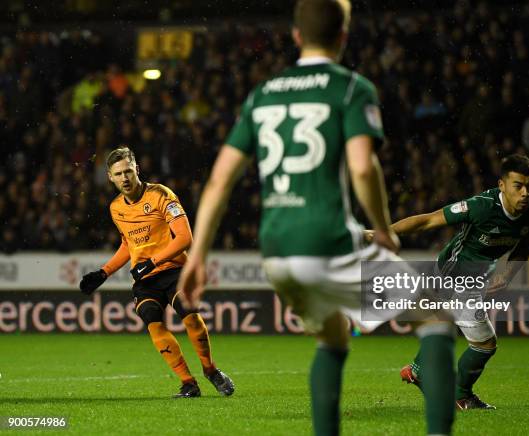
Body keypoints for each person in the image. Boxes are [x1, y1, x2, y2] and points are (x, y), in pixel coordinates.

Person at [178, 1, 455, 434]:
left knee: (332, 338)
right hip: (326, 237)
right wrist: (382, 228)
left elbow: (218, 183)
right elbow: (364, 167)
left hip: (276, 251)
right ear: (344, 35)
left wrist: (197, 258)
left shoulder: (263, 94)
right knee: (434, 318)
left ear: (295, 36)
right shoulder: (350, 88)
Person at [367, 154, 529, 410]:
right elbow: (428, 220)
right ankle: (460, 395)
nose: (526, 193)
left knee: (446, 324)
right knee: (485, 343)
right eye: (518, 185)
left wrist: (507, 275)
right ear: (502, 185)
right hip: (456, 273)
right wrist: (380, 233)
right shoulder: (481, 207)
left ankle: (418, 370)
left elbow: (524, 246)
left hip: (481, 274)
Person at [79, 146, 234, 398]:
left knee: (190, 316)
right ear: (110, 177)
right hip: (145, 279)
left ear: (137, 169)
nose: (125, 178)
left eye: (128, 171)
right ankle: (188, 384)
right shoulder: (116, 208)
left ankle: (211, 370)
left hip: (174, 269)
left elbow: (185, 238)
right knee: (153, 322)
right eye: (118, 174)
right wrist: (104, 272)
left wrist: (152, 261)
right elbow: (128, 244)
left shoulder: (161, 195)